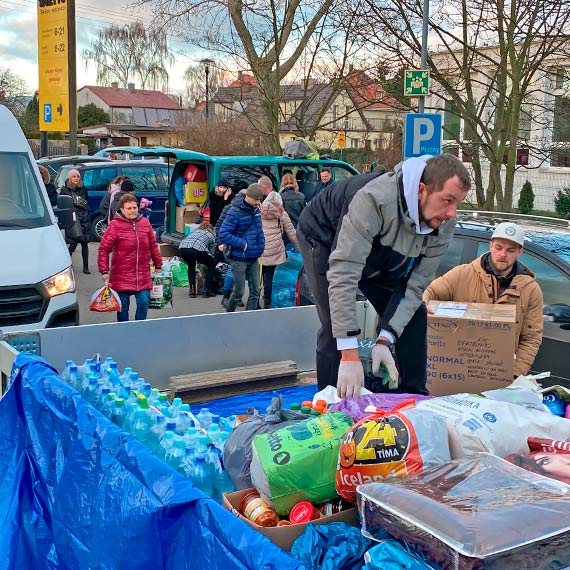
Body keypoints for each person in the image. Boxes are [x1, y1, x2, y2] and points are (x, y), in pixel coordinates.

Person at [296, 154, 471, 398]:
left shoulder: (444, 223)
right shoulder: (374, 199)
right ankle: (331, 403)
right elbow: (344, 272)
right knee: (334, 326)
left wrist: (385, 339)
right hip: (324, 236)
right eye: (448, 200)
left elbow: (414, 285)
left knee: (414, 314)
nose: (452, 213)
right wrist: (349, 354)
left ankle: (412, 399)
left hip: (378, 248)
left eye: (457, 203)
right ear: (421, 190)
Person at [423, 222, 543, 377]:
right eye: (498, 247)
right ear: (490, 245)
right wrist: (423, 304)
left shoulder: (531, 290)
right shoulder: (462, 274)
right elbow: (430, 292)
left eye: (510, 250)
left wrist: (514, 374)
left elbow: (531, 338)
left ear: (520, 252)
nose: (503, 254)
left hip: (499, 373)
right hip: (457, 368)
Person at [98, 194, 162, 322]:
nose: (132, 211)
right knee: (123, 307)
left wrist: (158, 264)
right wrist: (104, 270)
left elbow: (153, 246)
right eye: (129, 208)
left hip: (142, 274)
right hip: (121, 275)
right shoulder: (115, 225)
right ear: (122, 209)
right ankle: (124, 331)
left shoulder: (145, 223)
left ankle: (139, 329)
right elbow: (104, 249)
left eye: (134, 207)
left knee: (144, 303)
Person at [218, 183, 265, 312]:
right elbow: (223, 234)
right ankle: (230, 315)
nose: (258, 202)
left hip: (253, 257)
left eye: (260, 199)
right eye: (256, 199)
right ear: (248, 197)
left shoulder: (256, 211)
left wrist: (261, 247)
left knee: (256, 291)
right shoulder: (234, 211)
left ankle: (248, 320)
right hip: (239, 258)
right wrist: (243, 244)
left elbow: (259, 231)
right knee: (238, 291)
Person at [260, 191, 299, 308]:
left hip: (260, 249)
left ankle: (257, 298)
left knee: (259, 276)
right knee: (271, 276)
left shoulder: (259, 210)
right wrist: (298, 247)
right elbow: (291, 233)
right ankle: (269, 300)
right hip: (275, 249)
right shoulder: (282, 213)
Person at [60, 169, 91, 274]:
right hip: (73, 218)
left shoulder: (84, 189)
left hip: (83, 218)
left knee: (84, 243)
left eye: (77, 176)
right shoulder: (65, 190)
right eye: (74, 176)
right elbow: (64, 204)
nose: (76, 178)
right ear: (69, 178)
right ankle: (66, 266)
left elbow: (85, 203)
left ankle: (85, 267)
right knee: (73, 244)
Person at [178, 222, 217, 298]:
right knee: (211, 265)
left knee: (191, 266)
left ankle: (192, 291)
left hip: (183, 249)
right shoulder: (210, 235)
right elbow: (211, 252)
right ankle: (207, 291)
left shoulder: (194, 232)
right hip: (197, 250)